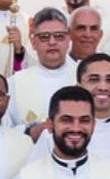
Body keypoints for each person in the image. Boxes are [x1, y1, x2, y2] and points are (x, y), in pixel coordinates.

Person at [7, 8, 79, 140]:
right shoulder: (14, 83)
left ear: (68, 39)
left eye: (58, 36)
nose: (52, 42)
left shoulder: (85, 78)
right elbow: (4, 131)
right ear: (33, 43)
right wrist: (30, 131)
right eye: (44, 37)